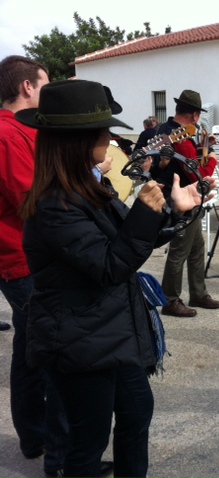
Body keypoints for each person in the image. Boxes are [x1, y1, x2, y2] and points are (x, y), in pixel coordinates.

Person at [17, 78, 214, 478]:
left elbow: (128, 239)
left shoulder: (89, 186)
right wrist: (145, 211)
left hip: (109, 332)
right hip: (80, 341)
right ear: (77, 140)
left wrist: (174, 210)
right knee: (87, 444)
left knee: (137, 412)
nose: (110, 139)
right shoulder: (54, 205)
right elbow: (110, 265)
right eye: (104, 131)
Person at [0, 55, 71, 477]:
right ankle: (61, 458)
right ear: (27, 87)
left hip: (21, 256)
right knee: (53, 355)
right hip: (24, 259)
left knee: (30, 351)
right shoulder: (9, 136)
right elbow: (33, 200)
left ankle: (34, 437)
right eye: (45, 84)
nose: (47, 91)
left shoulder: (17, 133)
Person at [151, 90, 219, 317]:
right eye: (198, 115)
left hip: (181, 197)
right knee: (180, 249)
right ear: (194, 115)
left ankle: (198, 293)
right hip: (182, 199)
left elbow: (187, 160)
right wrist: (211, 159)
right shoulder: (179, 135)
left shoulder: (168, 130)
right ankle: (170, 300)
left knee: (196, 247)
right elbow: (196, 174)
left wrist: (203, 148)